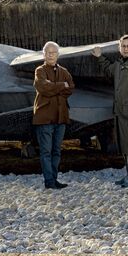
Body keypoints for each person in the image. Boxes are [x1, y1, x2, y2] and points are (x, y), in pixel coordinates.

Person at [91, 33, 128, 187]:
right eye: (123, 46)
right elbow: (109, 70)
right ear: (119, 47)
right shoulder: (119, 64)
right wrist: (99, 57)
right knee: (123, 143)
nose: (125, 48)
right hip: (119, 110)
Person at [33, 41, 75, 189]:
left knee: (56, 150)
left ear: (58, 54)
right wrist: (60, 86)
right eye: (48, 52)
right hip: (44, 117)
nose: (51, 55)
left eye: (54, 52)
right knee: (46, 151)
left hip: (61, 116)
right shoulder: (40, 71)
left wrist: (54, 86)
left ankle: (54, 179)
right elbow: (43, 87)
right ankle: (49, 181)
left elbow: (70, 88)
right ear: (44, 54)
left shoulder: (64, 71)